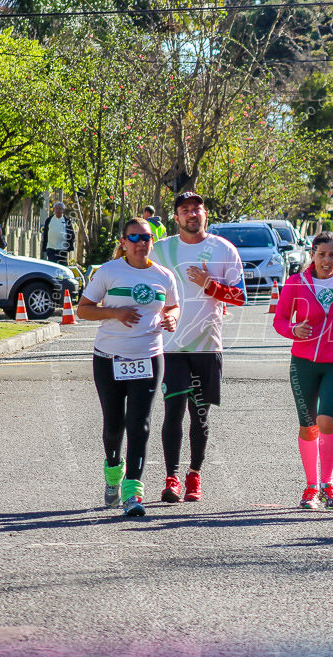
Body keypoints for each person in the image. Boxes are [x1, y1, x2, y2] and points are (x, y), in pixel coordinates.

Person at [76, 218, 180, 516]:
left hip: (148, 357)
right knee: (114, 424)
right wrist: (114, 312)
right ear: (123, 241)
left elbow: (173, 305)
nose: (140, 243)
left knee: (140, 424)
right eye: (134, 237)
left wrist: (172, 317)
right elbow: (83, 310)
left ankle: (133, 492)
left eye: (145, 237)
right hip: (109, 358)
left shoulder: (164, 275)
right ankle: (112, 474)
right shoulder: (109, 272)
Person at [152, 191, 246, 503]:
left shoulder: (223, 249)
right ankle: (171, 478)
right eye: (185, 210)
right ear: (176, 217)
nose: (192, 214)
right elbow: (146, 285)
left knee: (200, 414)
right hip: (171, 346)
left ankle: (194, 474)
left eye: (197, 208)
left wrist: (210, 285)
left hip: (207, 346)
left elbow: (240, 296)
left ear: (205, 213)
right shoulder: (162, 250)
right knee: (173, 412)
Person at [272, 231, 333, 509]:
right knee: (308, 425)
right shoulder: (295, 283)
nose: (327, 260)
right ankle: (311, 486)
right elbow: (280, 320)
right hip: (303, 363)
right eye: (322, 254)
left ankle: (328, 484)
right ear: (312, 254)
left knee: (328, 420)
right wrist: (294, 329)